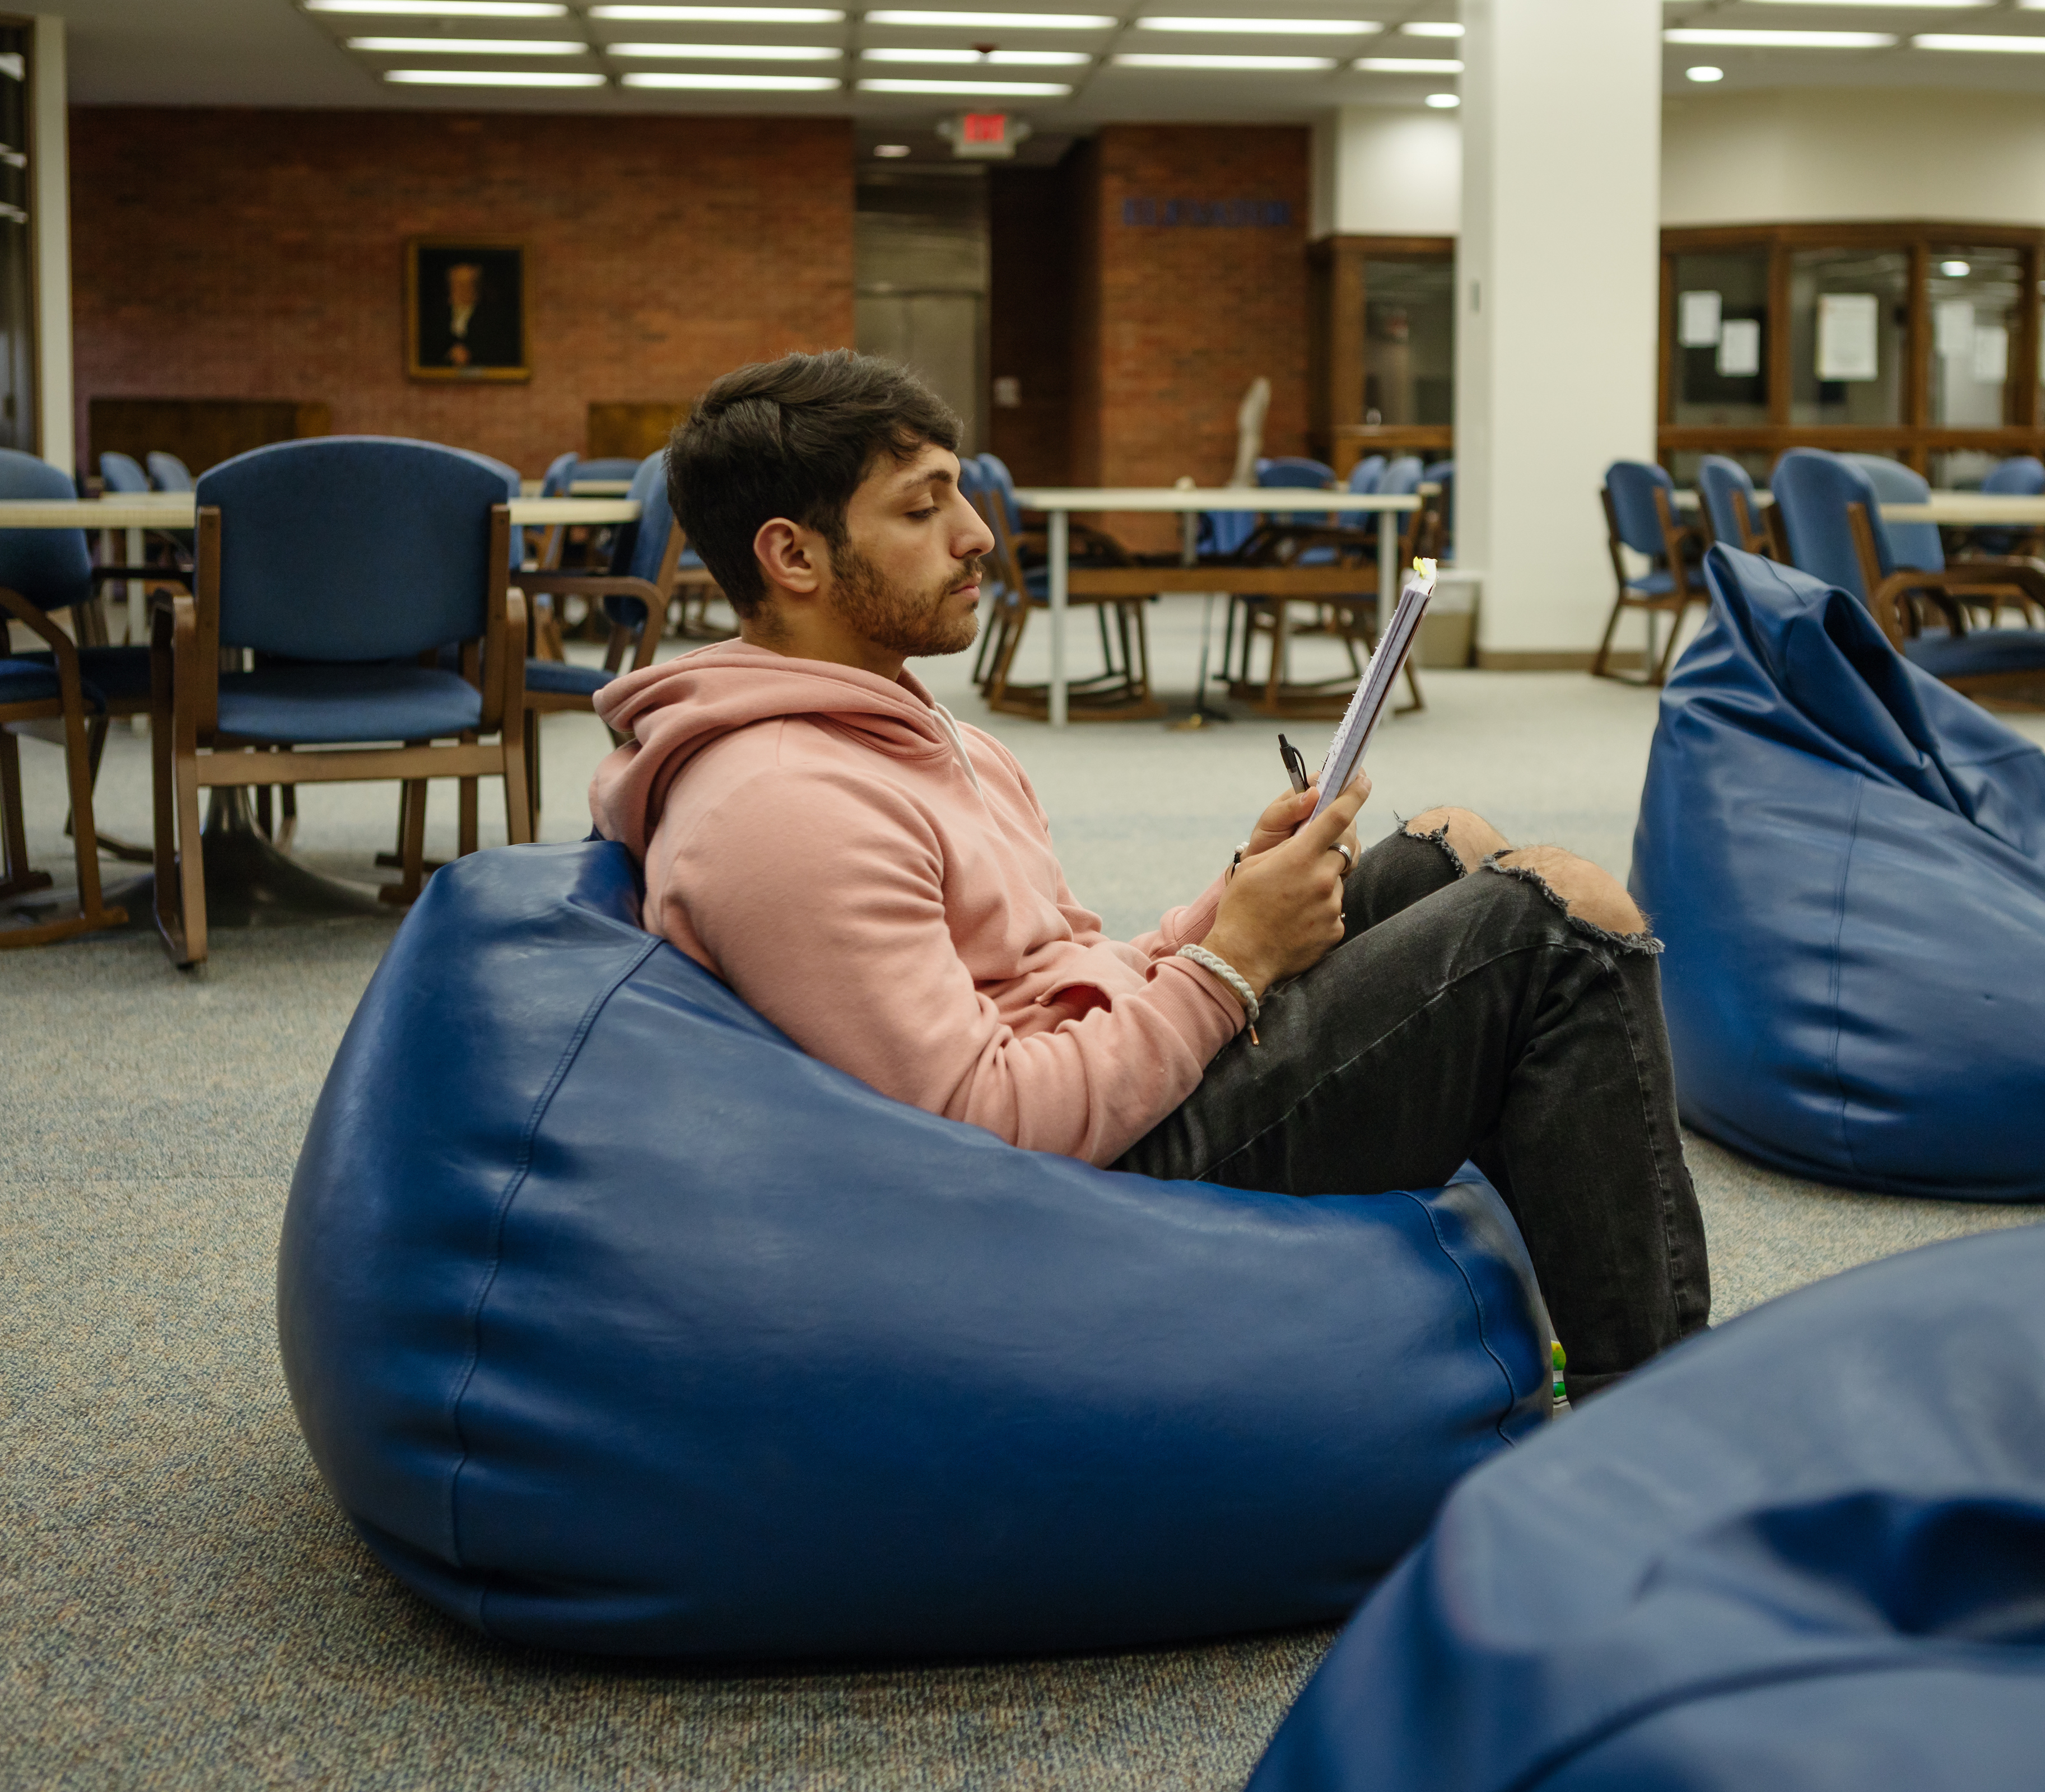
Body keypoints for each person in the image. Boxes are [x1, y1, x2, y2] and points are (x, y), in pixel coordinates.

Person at [588, 350, 1708, 1395]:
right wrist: (1232, 964)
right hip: (1079, 1191)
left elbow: (1064, 968)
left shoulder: (926, 734)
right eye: (923, 509)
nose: (977, 535)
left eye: (962, 497)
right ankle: (1653, 1423)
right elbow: (978, 1131)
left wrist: (1227, 905)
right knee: (1561, 924)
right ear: (793, 557)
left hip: (1102, 1100)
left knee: (1447, 848)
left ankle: (1580, 1323)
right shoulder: (785, 808)